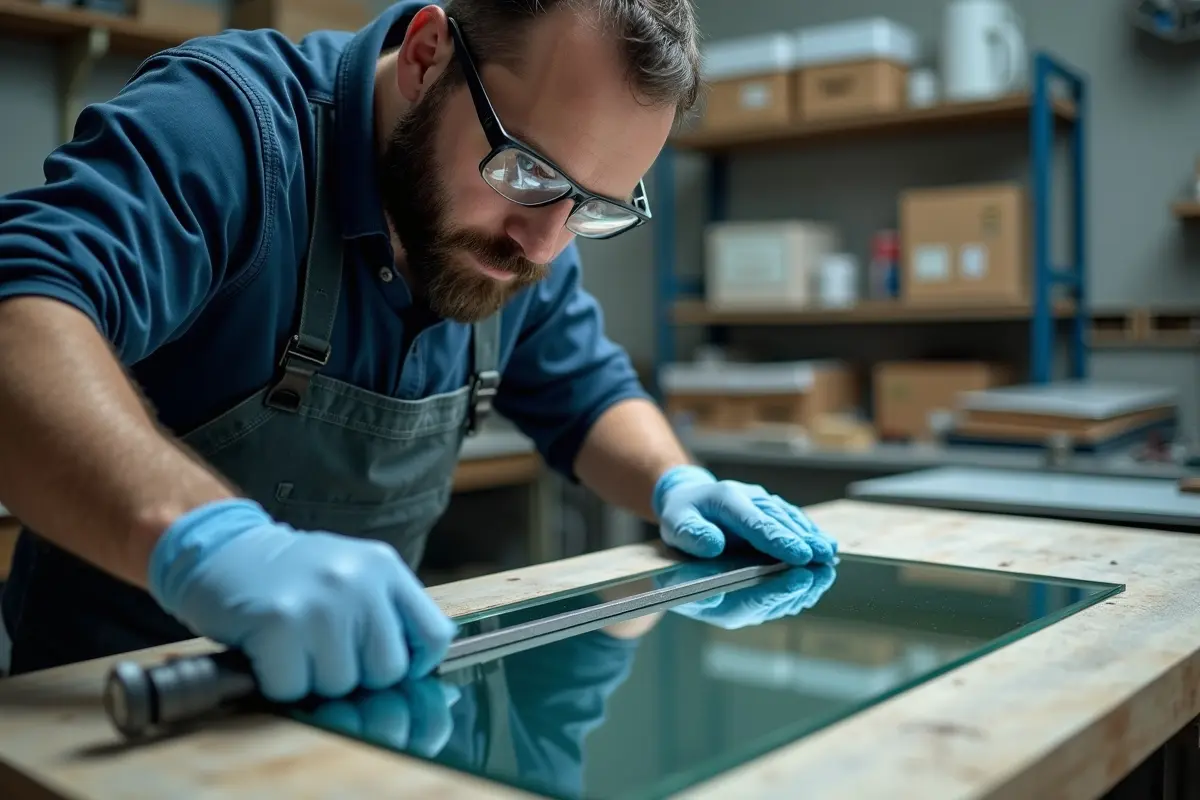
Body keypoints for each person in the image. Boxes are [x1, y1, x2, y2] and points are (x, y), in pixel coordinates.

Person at [0, 0, 837, 698]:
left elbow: (586, 392)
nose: (544, 245)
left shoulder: (531, 231)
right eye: (527, 171)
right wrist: (208, 545)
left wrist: (675, 482)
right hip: (121, 707)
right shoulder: (230, 129)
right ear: (427, 56)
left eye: (591, 207)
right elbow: (18, 316)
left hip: (357, 705)